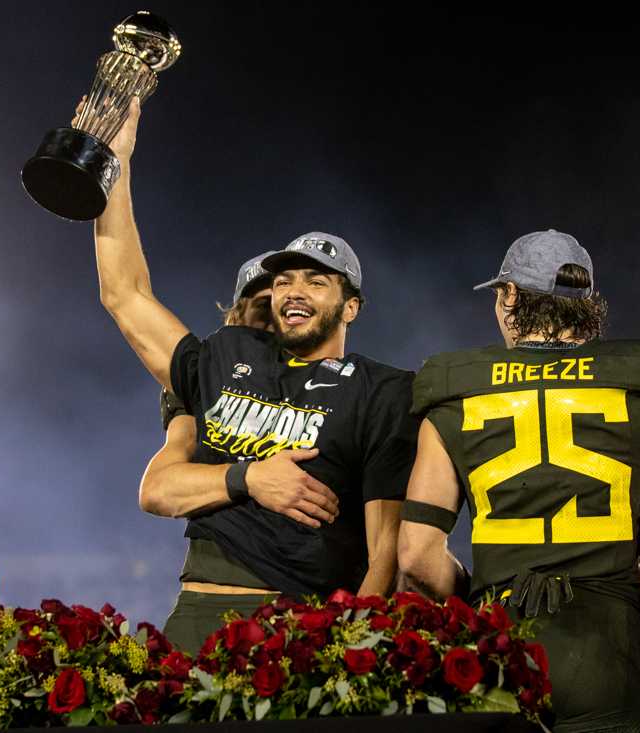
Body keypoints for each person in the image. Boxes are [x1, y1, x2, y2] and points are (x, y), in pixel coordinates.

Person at [94, 99, 417, 652]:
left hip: (304, 623)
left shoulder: (383, 389)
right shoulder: (227, 353)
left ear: (351, 307)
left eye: (317, 282)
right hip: (200, 612)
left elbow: (385, 551)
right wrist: (114, 168)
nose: (295, 290)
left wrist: (353, 649)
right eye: (287, 279)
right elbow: (125, 295)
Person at [397, 230, 640, 732]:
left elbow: (416, 557)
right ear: (588, 304)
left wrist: (482, 594)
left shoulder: (453, 397)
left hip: (501, 648)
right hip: (607, 650)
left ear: (508, 298)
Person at [139, 253, 341, 650]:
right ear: (234, 319)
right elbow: (157, 489)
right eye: (261, 310)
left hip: (312, 590)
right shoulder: (207, 385)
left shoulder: (339, 389)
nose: (275, 321)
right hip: (217, 583)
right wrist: (250, 477)